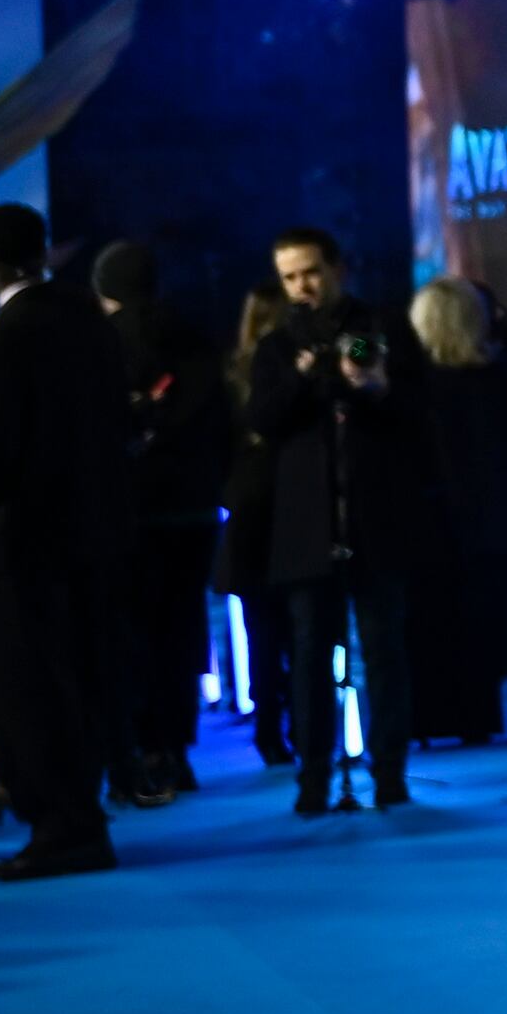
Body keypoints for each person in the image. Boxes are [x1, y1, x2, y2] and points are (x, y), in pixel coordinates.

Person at [0, 202, 130, 877]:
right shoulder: (91, 322)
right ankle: (85, 819)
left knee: (34, 691)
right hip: (98, 536)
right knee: (83, 679)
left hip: (24, 547)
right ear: (45, 251)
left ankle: (64, 830)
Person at [243, 228, 433, 814]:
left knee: (386, 652)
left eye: (310, 273)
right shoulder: (276, 347)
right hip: (307, 525)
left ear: (336, 269)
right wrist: (303, 377)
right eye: (290, 277)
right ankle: (313, 779)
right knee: (307, 657)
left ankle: (392, 775)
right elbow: (262, 421)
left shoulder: (384, 328)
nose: (302, 286)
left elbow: (421, 414)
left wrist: (374, 387)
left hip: (377, 516)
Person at [91, 242, 228, 801]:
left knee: (131, 636)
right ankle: (177, 748)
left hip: (127, 515)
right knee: (182, 630)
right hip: (193, 510)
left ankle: (141, 749)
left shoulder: (99, 345)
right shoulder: (195, 335)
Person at [407, 279, 507, 744]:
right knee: (478, 625)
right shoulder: (504, 378)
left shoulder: (415, 386)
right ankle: (476, 716)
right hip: (490, 523)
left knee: (432, 624)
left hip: (431, 522)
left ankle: (430, 718)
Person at [215, 291, 296, 766]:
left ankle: (271, 730)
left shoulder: (231, 375)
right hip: (290, 507)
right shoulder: (282, 370)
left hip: (248, 512)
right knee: (300, 631)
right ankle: (297, 725)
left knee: (262, 632)